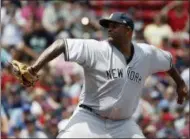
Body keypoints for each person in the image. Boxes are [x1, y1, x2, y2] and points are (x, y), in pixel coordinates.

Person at [11, 12, 188, 138]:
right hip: (89, 118)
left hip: (123, 124)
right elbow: (61, 44)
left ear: (128, 31)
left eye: (114, 26)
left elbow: (169, 62)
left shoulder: (147, 53)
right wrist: (34, 69)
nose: (109, 29)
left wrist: (180, 84)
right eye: (108, 26)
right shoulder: (96, 48)